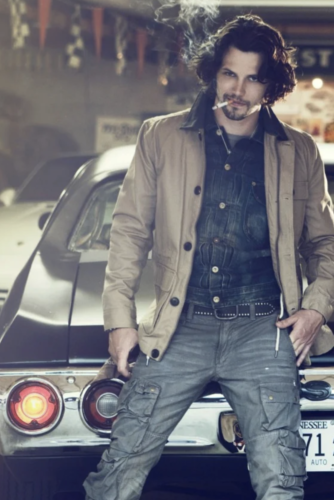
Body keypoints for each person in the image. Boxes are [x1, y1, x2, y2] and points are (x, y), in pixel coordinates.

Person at [84, 14, 334, 500]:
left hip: (263, 330)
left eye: (253, 78)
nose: (238, 90)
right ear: (213, 73)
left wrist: (315, 309)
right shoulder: (160, 136)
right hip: (180, 325)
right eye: (229, 74)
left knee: (282, 480)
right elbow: (129, 232)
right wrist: (119, 321)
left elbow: (325, 245)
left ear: (271, 85)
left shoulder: (299, 151)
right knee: (119, 470)